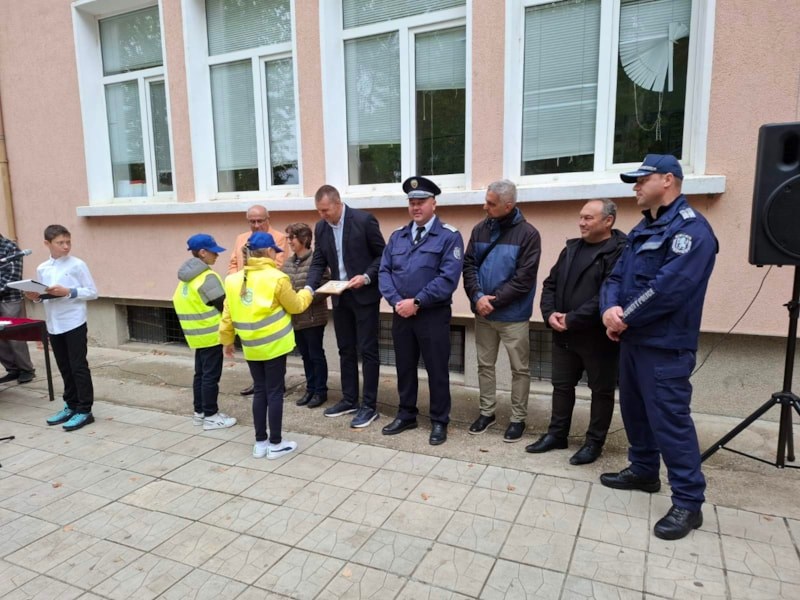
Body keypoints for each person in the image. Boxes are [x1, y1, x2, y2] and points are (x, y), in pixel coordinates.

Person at [600, 154, 717, 541]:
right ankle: (644, 470)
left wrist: (625, 317)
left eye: (641, 179)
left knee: (670, 422)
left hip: (665, 346)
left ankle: (688, 502)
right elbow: (615, 277)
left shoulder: (691, 231)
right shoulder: (643, 228)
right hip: (633, 340)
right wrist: (609, 310)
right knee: (635, 412)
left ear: (668, 180)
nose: (635, 186)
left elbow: (668, 288)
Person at [527, 199, 626, 464]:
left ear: (608, 221)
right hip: (564, 334)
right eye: (581, 217)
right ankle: (557, 435)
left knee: (601, 391)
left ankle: (594, 443)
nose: (581, 223)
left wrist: (572, 318)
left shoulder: (620, 252)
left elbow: (608, 294)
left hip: (598, 338)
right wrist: (550, 314)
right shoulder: (571, 248)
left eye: (588, 218)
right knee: (561, 387)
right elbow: (550, 284)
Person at [378, 176, 464, 445]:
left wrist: (416, 302)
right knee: (404, 367)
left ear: (433, 203)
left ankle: (439, 420)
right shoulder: (398, 236)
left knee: (437, 369)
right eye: (412, 202)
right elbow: (384, 272)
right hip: (401, 314)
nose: (416, 207)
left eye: (421, 202)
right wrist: (397, 302)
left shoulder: (449, 236)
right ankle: (406, 414)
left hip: (432, 315)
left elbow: (448, 278)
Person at [220, 232, 313, 460]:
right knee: (274, 393)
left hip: (251, 346)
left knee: (260, 391)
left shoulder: (232, 280)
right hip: (275, 345)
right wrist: (308, 291)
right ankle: (276, 444)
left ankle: (260, 442)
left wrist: (227, 341)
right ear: (270, 251)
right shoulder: (277, 278)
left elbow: (227, 315)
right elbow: (296, 306)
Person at [463, 180, 541, 442]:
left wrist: (492, 302)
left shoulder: (528, 234)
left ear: (508, 205)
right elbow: (469, 266)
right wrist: (477, 297)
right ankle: (487, 412)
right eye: (486, 201)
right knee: (485, 365)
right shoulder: (479, 230)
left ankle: (518, 418)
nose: (485, 207)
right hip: (483, 314)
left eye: (491, 203)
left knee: (520, 369)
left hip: (513, 317)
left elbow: (524, 279)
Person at [305, 185, 386, 428]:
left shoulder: (364, 221)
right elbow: (319, 261)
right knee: (345, 349)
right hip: (339, 296)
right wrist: (309, 288)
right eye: (319, 211)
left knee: (368, 350)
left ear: (338, 203)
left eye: (326, 210)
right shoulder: (321, 227)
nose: (322, 215)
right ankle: (349, 399)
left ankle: (369, 406)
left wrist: (367, 276)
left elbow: (383, 256)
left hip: (365, 295)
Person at [25, 224, 97, 431]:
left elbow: (92, 292)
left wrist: (69, 291)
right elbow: (45, 295)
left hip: (74, 321)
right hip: (54, 323)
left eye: (68, 242)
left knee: (78, 366)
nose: (66, 246)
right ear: (47, 243)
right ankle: (71, 405)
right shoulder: (43, 268)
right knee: (64, 366)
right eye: (60, 243)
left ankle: (85, 409)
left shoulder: (77, 265)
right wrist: (35, 297)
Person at [172, 233, 236, 431]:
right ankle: (211, 416)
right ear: (202, 252)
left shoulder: (186, 279)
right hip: (211, 334)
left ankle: (199, 412)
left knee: (200, 375)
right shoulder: (207, 277)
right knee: (210, 377)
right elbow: (224, 305)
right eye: (213, 251)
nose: (217, 255)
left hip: (196, 335)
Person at [228, 204, 289, 396]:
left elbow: (278, 265)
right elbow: (233, 264)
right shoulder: (241, 238)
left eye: (259, 221)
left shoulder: (278, 238)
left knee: (272, 344)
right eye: (252, 221)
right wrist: (236, 283)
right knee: (251, 343)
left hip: (266, 297)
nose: (255, 225)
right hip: (244, 296)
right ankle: (259, 383)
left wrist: (254, 280)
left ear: (268, 219)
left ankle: (276, 383)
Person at [282, 223, 329, 410]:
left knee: (316, 355)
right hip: (296, 318)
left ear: (304, 239)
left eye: (292, 237)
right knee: (305, 355)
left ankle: (320, 391)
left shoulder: (316, 261)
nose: (289, 241)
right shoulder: (288, 263)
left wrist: (305, 299)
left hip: (313, 317)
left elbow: (325, 286)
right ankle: (310, 389)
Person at [0, 233, 36, 384]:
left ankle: (26, 370)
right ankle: (12, 369)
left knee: (15, 336)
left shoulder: (10, 247)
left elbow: (12, 277)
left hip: (10, 299)